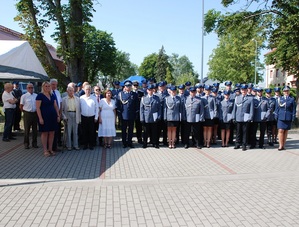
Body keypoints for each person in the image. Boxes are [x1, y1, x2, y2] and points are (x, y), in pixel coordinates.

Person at [36, 81, 60, 157]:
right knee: (45, 133)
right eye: (45, 86)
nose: (47, 87)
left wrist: (58, 115)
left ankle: (50, 149)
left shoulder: (52, 95)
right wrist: (40, 118)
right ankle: (45, 150)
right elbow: (38, 108)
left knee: (52, 133)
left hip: (52, 117)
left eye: (48, 86)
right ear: (43, 87)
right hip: (44, 117)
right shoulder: (40, 96)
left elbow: (55, 106)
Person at [116, 80, 138, 148]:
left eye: (129, 86)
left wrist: (136, 114)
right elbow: (118, 105)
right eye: (127, 86)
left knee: (131, 130)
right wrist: (119, 114)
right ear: (124, 87)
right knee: (124, 129)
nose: (128, 87)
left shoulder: (134, 94)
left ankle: (129, 142)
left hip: (131, 115)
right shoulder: (120, 94)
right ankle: (124, 143)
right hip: (123, 115)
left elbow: (136, 105)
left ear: (131, 87)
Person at [232, 84, 254, 151]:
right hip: (238, 117)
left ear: (247, 90)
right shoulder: (237, 97)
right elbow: (234, 108)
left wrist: (250, 117)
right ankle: (237, 144)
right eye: (242, 90)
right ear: (240, 90)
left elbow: (251, 109)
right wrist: (234, 117)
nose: (243, 91)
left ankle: (244, 145)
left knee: (245, 132)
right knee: (238, 132)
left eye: (244, 90)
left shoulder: (250, 98)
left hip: (246, 118)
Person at [275, 86, 296, 151]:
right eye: (285, 91)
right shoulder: (279, 99)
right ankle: (280, 145)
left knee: (286, 131)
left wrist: (293, 116)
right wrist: (276, 115)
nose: (286, 92)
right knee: (280, 130)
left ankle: (284, 145)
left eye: (287, 91)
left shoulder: (291, 99)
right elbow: (277, 108)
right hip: (281, 117)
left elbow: (293, 109)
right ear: (283, 92)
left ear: (289, 92)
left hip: (288, 116)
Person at [140, 84, 161, 149]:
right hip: (146, 117)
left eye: (151, 90)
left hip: (154, 117)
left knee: (154, 131)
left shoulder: (157, 98)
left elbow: (159, 108)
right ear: (147, 90)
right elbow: (141, 109)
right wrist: (142, 118)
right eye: (149, 90)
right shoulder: (143, 98)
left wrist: (159, 116)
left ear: (153, 90)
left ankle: (154, 143)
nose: (150, 91)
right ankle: (145, 143)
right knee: (145, 132)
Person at [80, 84, 99, 150]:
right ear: (84, 90)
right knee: (84, 131)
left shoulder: (94, 98)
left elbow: (97, 108)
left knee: (91, 131)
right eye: (86, 89)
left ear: (91, 90)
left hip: (92, 117)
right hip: (83, 117)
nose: (87, 91)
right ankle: (85, 144)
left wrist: (96, 117)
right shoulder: (81, 98)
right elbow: (79, 108)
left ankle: (91, 144)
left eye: (89, 90)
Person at [62, 86, 81, 151]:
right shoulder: (64, 99)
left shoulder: (77, 99)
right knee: (68, 131)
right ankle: (69, 145)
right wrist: (64, 117)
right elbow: (61, 110)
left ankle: (76, 145)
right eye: (69, 90)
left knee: (75, 132)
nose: (71, 92)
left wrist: (79, 118)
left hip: (76, 115)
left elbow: (79, 109)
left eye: (72, 90)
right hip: (68, 115)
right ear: (67, 91)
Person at [20, 83, 38, 149]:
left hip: (35, 113)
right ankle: (26, 143)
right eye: (29, 88)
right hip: (27, 113)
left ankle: (34, 143)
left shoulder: (36, 95)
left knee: (35, 130)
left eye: (32, 87)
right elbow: (21, 106)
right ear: (27, 89)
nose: (31, 89)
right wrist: (24, 112)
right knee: (27, 129)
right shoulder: (24, 96)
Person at [50, 78, 62, 151]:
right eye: (53, 84)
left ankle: (56, 146)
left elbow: (60, 103)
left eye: (55, 85)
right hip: (51, 114)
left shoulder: (57, 92)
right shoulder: (48, 92)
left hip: (58, 114)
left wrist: (60, 113)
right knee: (52, 131)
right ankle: (51, 147)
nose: (54, 86)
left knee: (57, 130)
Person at [156, 81, 169, 146]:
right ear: (158, 87)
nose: (162, 88)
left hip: (165, 114)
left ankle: (165, 141)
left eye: (163, 86)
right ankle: (157, 142)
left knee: (165, 129)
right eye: (160, 86)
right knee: (157, 129)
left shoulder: (167, 94)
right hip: (158, 114)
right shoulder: (155, 95)